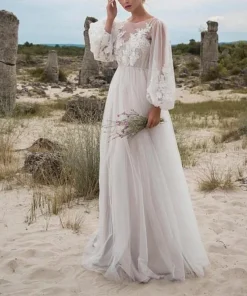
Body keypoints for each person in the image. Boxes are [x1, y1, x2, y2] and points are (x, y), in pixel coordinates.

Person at [82, 0, 210, 283]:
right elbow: (102, 54)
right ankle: (123, 239)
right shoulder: (117, 26)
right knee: (119, 164)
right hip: (118, 95)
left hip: (142, 98)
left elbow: (162, 65)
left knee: (145, 163)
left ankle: (152, 246)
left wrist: (156, 105)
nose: (126, 0)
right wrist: (109, 17)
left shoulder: (157, 26)